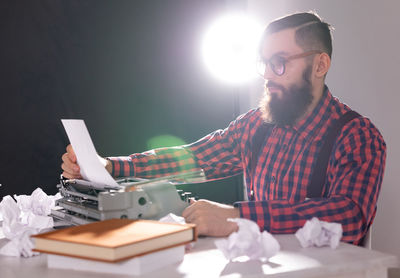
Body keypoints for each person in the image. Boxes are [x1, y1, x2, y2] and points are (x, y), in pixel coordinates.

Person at [61, 12, 386, 245]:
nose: (268, 75)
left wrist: (237, 216)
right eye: (264, 63)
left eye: (280, 62)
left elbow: (349, 216)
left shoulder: (357, 136)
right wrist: (111, 166)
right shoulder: (257, 125)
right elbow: (193, 158)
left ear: (320, 65)